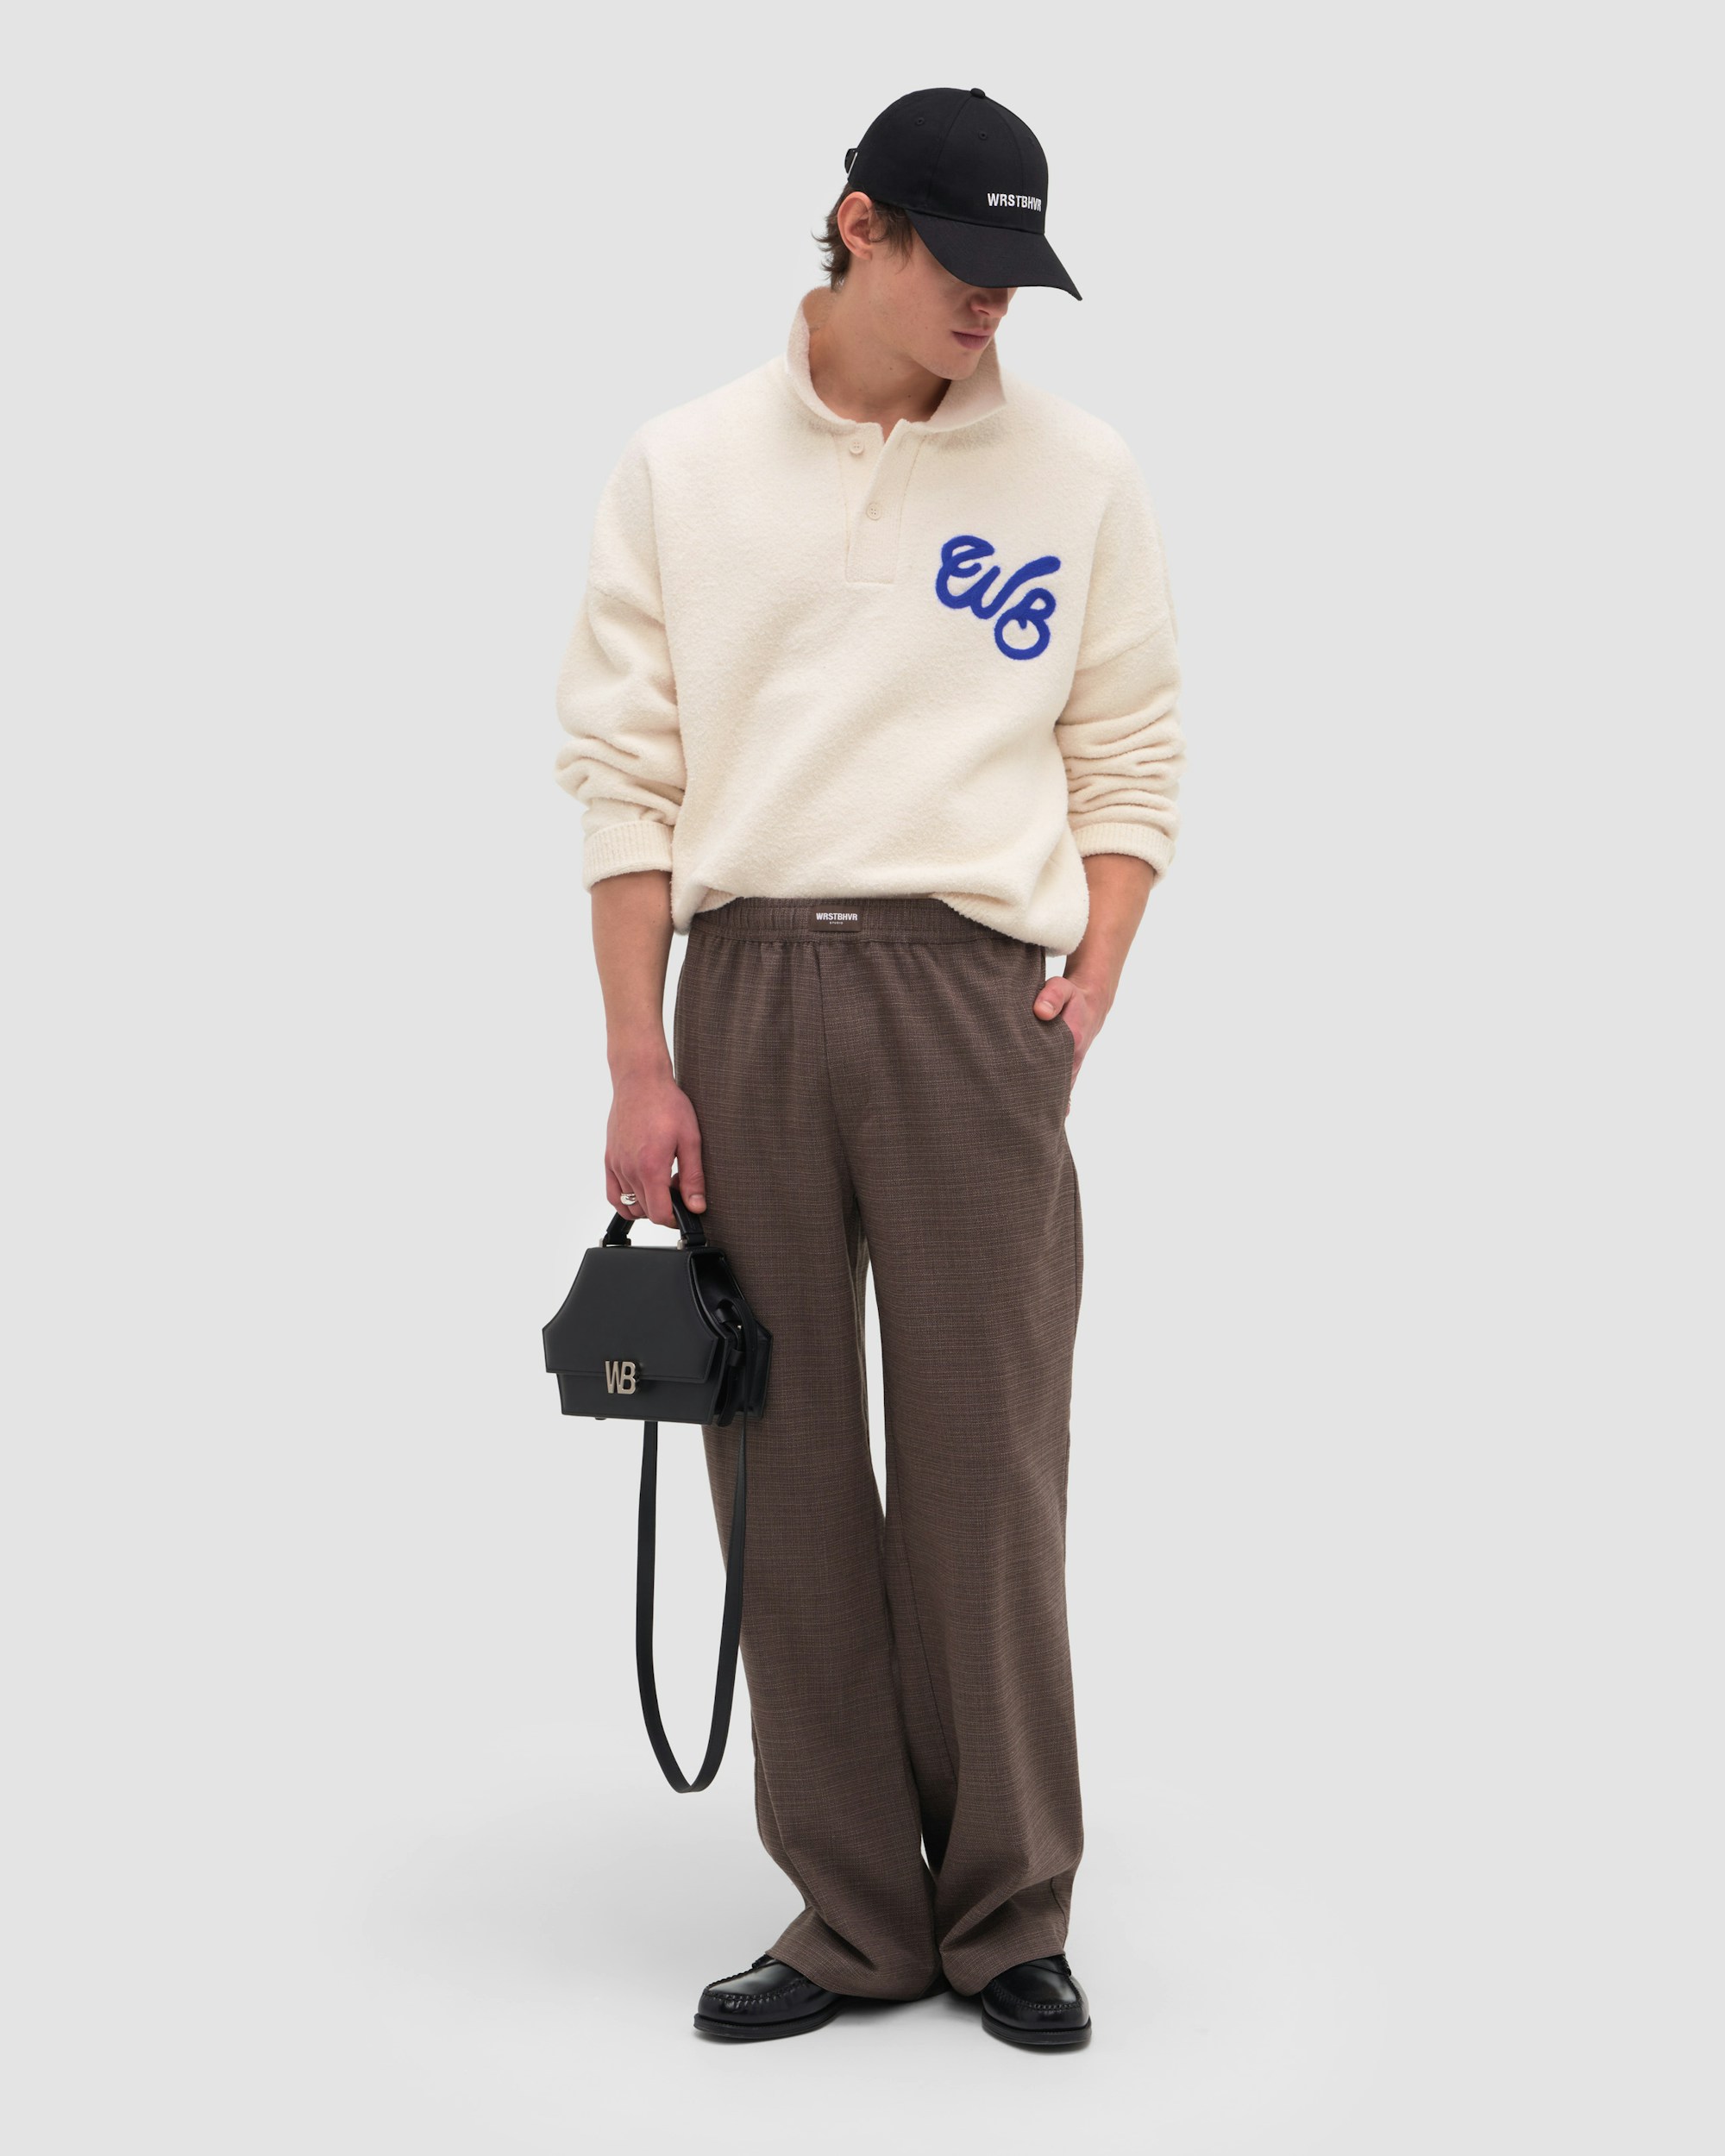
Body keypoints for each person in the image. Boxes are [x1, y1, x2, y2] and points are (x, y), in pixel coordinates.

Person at [553, 85, 1184, 2048]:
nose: (992, 301)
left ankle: (1007, 1909)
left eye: (1018, 271)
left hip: (970, 995)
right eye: (961, 261)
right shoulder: (682, 466)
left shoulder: (1077, 473)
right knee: (782, 1461)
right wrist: (638, 1059)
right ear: (858, 228)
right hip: (743, 985)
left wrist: (1092, 976)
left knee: (990, 1452)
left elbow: (1129, 748)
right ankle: (850, 1913)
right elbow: (625, 775)